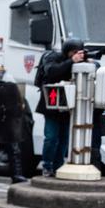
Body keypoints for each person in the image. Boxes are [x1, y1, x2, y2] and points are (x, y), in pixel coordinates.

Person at [36, 39, 85, 177]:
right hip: (52, 103)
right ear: (67, 51)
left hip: (68, 105)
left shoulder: (80, 61)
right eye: (74, 52)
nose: (76, 55)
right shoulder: (54, 57)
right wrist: (71, 61)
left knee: (64, 138)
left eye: (78, 52)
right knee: (51, 137)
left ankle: (58, 166)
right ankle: (47, 165)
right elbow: (51, 71)